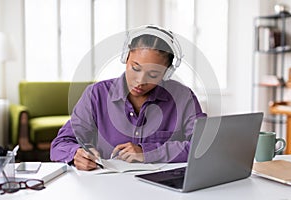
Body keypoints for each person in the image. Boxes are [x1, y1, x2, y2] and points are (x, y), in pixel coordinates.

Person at [50, 25, 207, 171]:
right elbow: (60, 144)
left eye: (153, 74)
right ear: (126, 57)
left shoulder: (183, 97)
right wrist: (75, 154)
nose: (140, 80)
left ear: (167, 72)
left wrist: (147, 153)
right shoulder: (96, 94)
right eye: (135, 68)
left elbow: (204, 145)